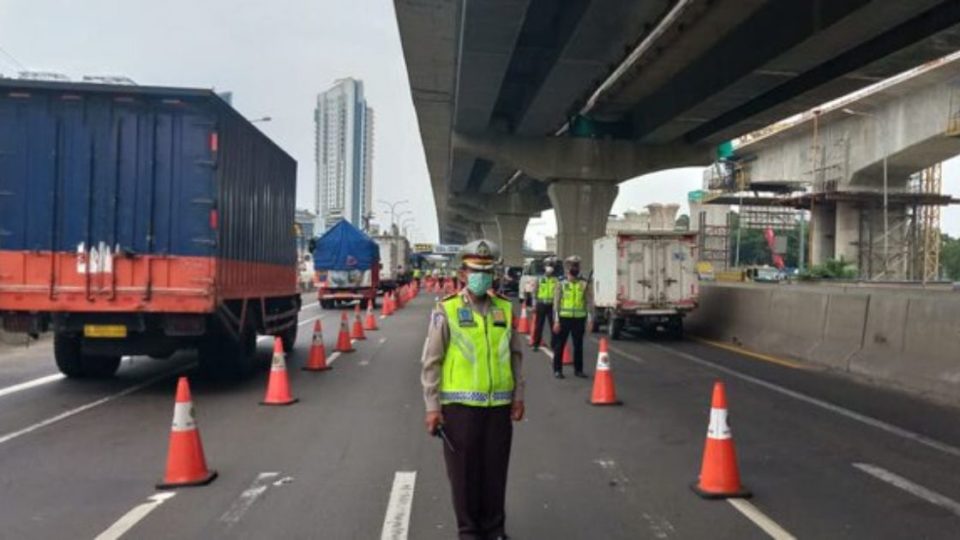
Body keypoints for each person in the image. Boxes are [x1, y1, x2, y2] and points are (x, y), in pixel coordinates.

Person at [421, 239, 525, 540]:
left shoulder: (505, 309)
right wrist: (432, 407)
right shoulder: (447, 309)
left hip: (498, 407)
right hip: (459, 408)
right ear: (463, 273)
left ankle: (495, 529)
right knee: (464, 474)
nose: (482, 276)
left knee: (495, 470)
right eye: (475, 270)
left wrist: (518, 396)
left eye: (487, 271)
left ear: (495, 274)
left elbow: (515, 355)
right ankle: (469, 531)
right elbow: (431, 361)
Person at [552, 255, 591, 379]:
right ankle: (557, 370)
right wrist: (556, 321)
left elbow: (588, 302)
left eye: (576, 265)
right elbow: (556, 303)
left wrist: (590, 319)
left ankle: (578, 370)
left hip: (579, 319)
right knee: (560, 345)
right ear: (567, 267)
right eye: (572, 265)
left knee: (578, 346)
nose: (574, 268)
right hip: (564, 319)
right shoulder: (561, 283)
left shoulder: (584, 283)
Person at [530, 258, 558, 352]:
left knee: (553, 325)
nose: (550, 268)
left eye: (551, 265)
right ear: (544, 267)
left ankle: (554, 345)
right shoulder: (539, 279)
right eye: (548, 265)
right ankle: (536, 344)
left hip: (552, 306)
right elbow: (534, 292)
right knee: (539, 325)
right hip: (541, 304)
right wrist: (534, 304)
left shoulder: (556, 280)